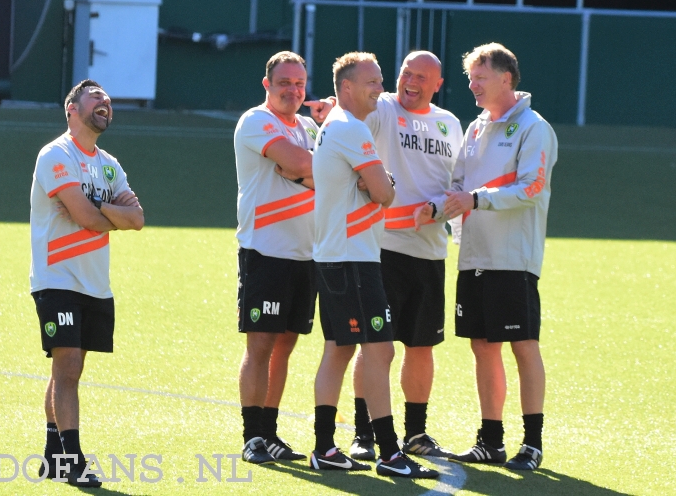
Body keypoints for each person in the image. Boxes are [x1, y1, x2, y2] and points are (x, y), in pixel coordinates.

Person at [425, 42, 557, 471]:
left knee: (523, 345)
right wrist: (436, 207)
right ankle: (491, 440)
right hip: (474, 258)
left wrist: (475, 199)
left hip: (513, 259)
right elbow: (458, 183)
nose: (472, 85)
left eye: (479, 78)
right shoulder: (477, 127)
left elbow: (531, 188)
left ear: (506, 78)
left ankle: (532, 443)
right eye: (469, 78)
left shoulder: (535, 128)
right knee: (483, 346)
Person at [309, 51, 439, 479]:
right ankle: (387, 451)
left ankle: (325, 446)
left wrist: (378, 181)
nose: (380, 88)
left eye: (380, 80)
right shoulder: (352, 129)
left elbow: (377, 186)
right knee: (379, 350)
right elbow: (385, 193)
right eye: (372, 82)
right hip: (352, 260)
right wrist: (382, 181)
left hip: (336, 256)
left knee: (339, 350)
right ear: (346, 87)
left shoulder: (338, 127)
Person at [29, 79, 144, 487]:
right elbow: (87, 218)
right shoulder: (56, 155)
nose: (105, 104)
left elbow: (138, 219)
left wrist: (98, 207)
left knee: (68, 370)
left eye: (108, 101)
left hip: (94, 282)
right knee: (69, 363)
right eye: (96, 98)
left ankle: (51, 455)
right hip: (57, 276)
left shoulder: (110, 164)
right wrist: (109, 212)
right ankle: (73, 460)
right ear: (71, 109)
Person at [234, 51, 319, 464]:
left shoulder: (307, 126)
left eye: (300, 83)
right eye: (285, 82)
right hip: (265, 250)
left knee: (286, 345)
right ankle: (252, 437)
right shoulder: (257, 121)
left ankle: (271, 432)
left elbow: (316, 168)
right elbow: (301, 163)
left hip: (305, 253)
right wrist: (313, 171)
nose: (294, 90)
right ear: (267, 84)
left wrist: (313, 169)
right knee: (261, 344)